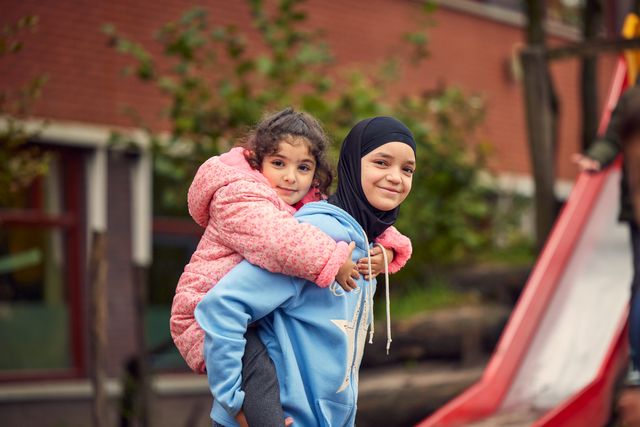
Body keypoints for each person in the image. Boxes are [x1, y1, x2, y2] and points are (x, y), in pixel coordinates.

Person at [170, 109, 412, 426]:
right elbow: (274, 248)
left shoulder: (331, 226)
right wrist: (234, 405)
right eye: (381, 162)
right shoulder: (271, 217)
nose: (290, 176)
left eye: (408, 169)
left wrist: (388, 250)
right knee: (258, 373)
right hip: (198, 311)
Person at [574, 85, 640, 425]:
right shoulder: (633, 100)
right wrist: (598, 156)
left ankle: (638, 367)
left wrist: (598, 156)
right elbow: (615, 135)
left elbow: (612, 135)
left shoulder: (631, 97)